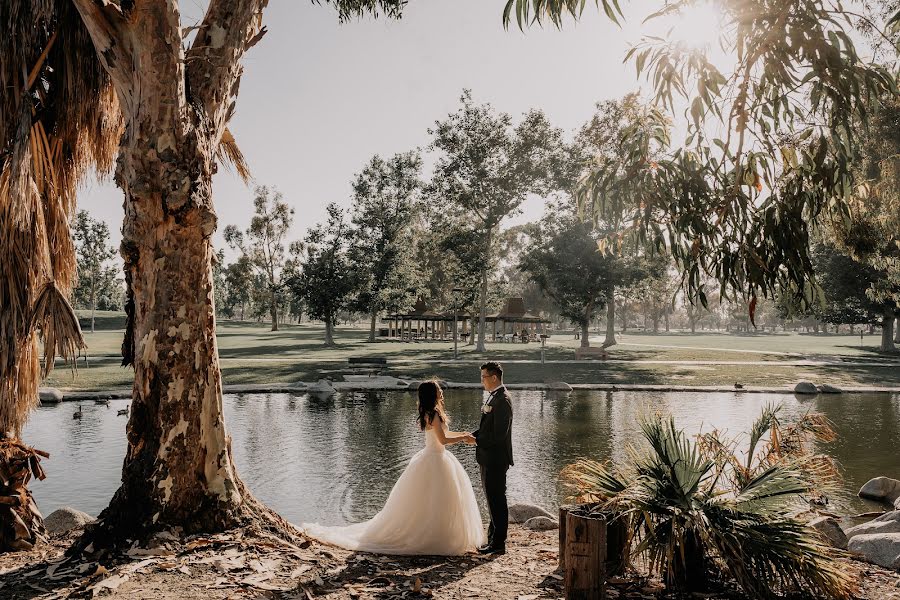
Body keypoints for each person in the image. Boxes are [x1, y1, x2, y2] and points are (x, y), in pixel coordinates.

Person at [301, 381, 484, 555]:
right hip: (435, 460)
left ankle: (436, 532)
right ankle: (433, 536)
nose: (441, 391)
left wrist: (464, 435)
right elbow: (443, 440)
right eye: (438, 389)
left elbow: (442, 435)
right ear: (432, 394)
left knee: (432, 500)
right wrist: (462, 439)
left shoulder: (430, 412)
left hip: (435, 457)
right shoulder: (433, 413)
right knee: (436, 499)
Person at [469, 361, 513, 555]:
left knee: (497, 499)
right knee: (491, 498)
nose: (482, 381)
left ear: (494, 377)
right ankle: (493, 537)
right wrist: (474, 435)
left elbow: (498, 435)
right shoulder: (494, 397)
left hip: (496, 459)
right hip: (487, 457)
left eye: (483, 377)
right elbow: (488, 428)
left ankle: (499, 543)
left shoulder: (503, 400)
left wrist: (477, 441)